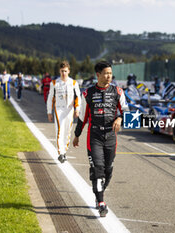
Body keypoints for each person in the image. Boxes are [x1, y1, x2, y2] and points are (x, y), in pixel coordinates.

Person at [72, 61, 129, 217]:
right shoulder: (88, 93)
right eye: (106, 73)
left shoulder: (118, 91)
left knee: (108, 170)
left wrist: (119, 119)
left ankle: (99, 192)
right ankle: (101, 202)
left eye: (110, 73)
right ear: (98, 75)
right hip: (94, 136)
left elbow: (126, 110)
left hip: (111, 137)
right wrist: (76, 135)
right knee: (98, 169)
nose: (109, 76)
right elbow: (82, 118)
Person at [47, 61, 81, 163]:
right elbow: (50, 98)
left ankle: (64, 151)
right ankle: (60, 153)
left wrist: (77, 109)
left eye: (65, 71)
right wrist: (49, 111)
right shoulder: (54, 83)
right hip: (59, 109)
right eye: (62, 71)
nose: (64, 73)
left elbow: (78, 97)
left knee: (67, 132)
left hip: (69, 110)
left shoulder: (74, 83)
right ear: (59, 71)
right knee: (60, 131)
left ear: (69, 71)